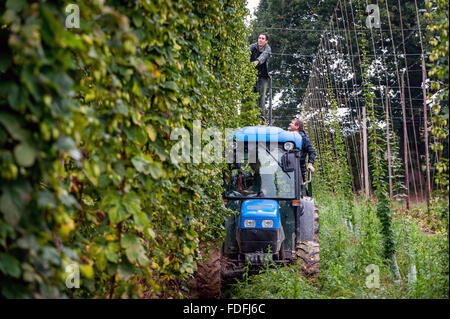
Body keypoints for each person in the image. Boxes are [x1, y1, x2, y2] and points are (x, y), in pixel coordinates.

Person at [249, 33, 271, 120]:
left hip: (262, 76)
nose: (260, 40)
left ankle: (261, 118)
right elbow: (246, 52)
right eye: (259, 38)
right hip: (251, 74)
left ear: (266, 41)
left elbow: (263, 56)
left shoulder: (267, 49)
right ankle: (250, 116)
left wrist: (256, 62)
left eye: (262, 38)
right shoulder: (253, 46)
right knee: (250, 95)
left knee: (261, 96)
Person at [287, 118, 316, 184]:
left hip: (299, 169)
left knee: (299, 188)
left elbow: (312, 151)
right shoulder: (290, 137)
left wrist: (310, 164)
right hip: (288, 168)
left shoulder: (303, 138)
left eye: (292, 123)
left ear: (297, 127)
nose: (290, 124)